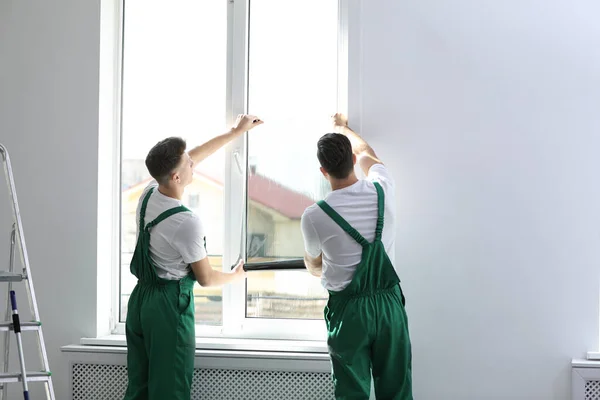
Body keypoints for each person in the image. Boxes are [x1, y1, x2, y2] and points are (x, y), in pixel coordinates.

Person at [123, 114, 263, 400]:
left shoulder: (149, 194)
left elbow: (194, 155)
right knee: (170, 391)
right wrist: (237, 275)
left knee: (139, 388)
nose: (192, 163)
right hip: (167, 309)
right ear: (176, 176)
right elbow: (207, 278)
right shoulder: (185, 222)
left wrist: (234, 133)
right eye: (187, 163)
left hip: (140, 304)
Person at [300, 113, 412, 399]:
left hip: (349, 314)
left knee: (351, 393)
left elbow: (314, 265)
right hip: (388, 306)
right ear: (351, 160)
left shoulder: (314, 216)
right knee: (397, 390)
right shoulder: (382, 187)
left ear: (323, 171)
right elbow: (367, 153)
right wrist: (342, 128)